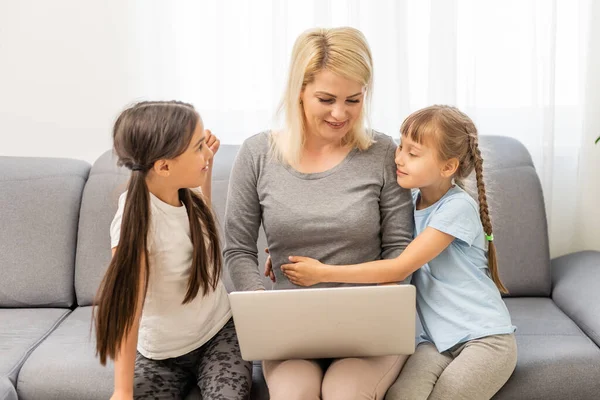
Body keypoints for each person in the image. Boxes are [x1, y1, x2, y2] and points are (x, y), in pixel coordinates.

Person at [223, 27, 414, 400]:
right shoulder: (257, 154)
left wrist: (380, 309)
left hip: (371, 330)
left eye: (354, 99)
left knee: (345, 392)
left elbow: (399, 250)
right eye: (326, 98)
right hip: (289, 330)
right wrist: (263, 306)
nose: (340, 113)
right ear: (298, 91)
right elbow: (238, 249)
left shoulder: (382, 152)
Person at [281, 105, 518, 400]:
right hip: (435, 341)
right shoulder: (412, 202)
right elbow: (356, 238)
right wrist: (284, 251)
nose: (399, 158)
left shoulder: (457, 208)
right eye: (400, 146)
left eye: (413, 153)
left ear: (448, 167)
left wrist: (322, 272)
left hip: (485, 339)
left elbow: (398, 267)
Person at [94, 101, 252, 400]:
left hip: (219, 332)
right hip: (160, 354)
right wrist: (122, 390)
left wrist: (206, 162)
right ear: (164, 166)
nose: (207, 152)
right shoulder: (135, 224)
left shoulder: (184, 190)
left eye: (204, 143)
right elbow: (127, 311)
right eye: (198, 147)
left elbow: (200, 223)